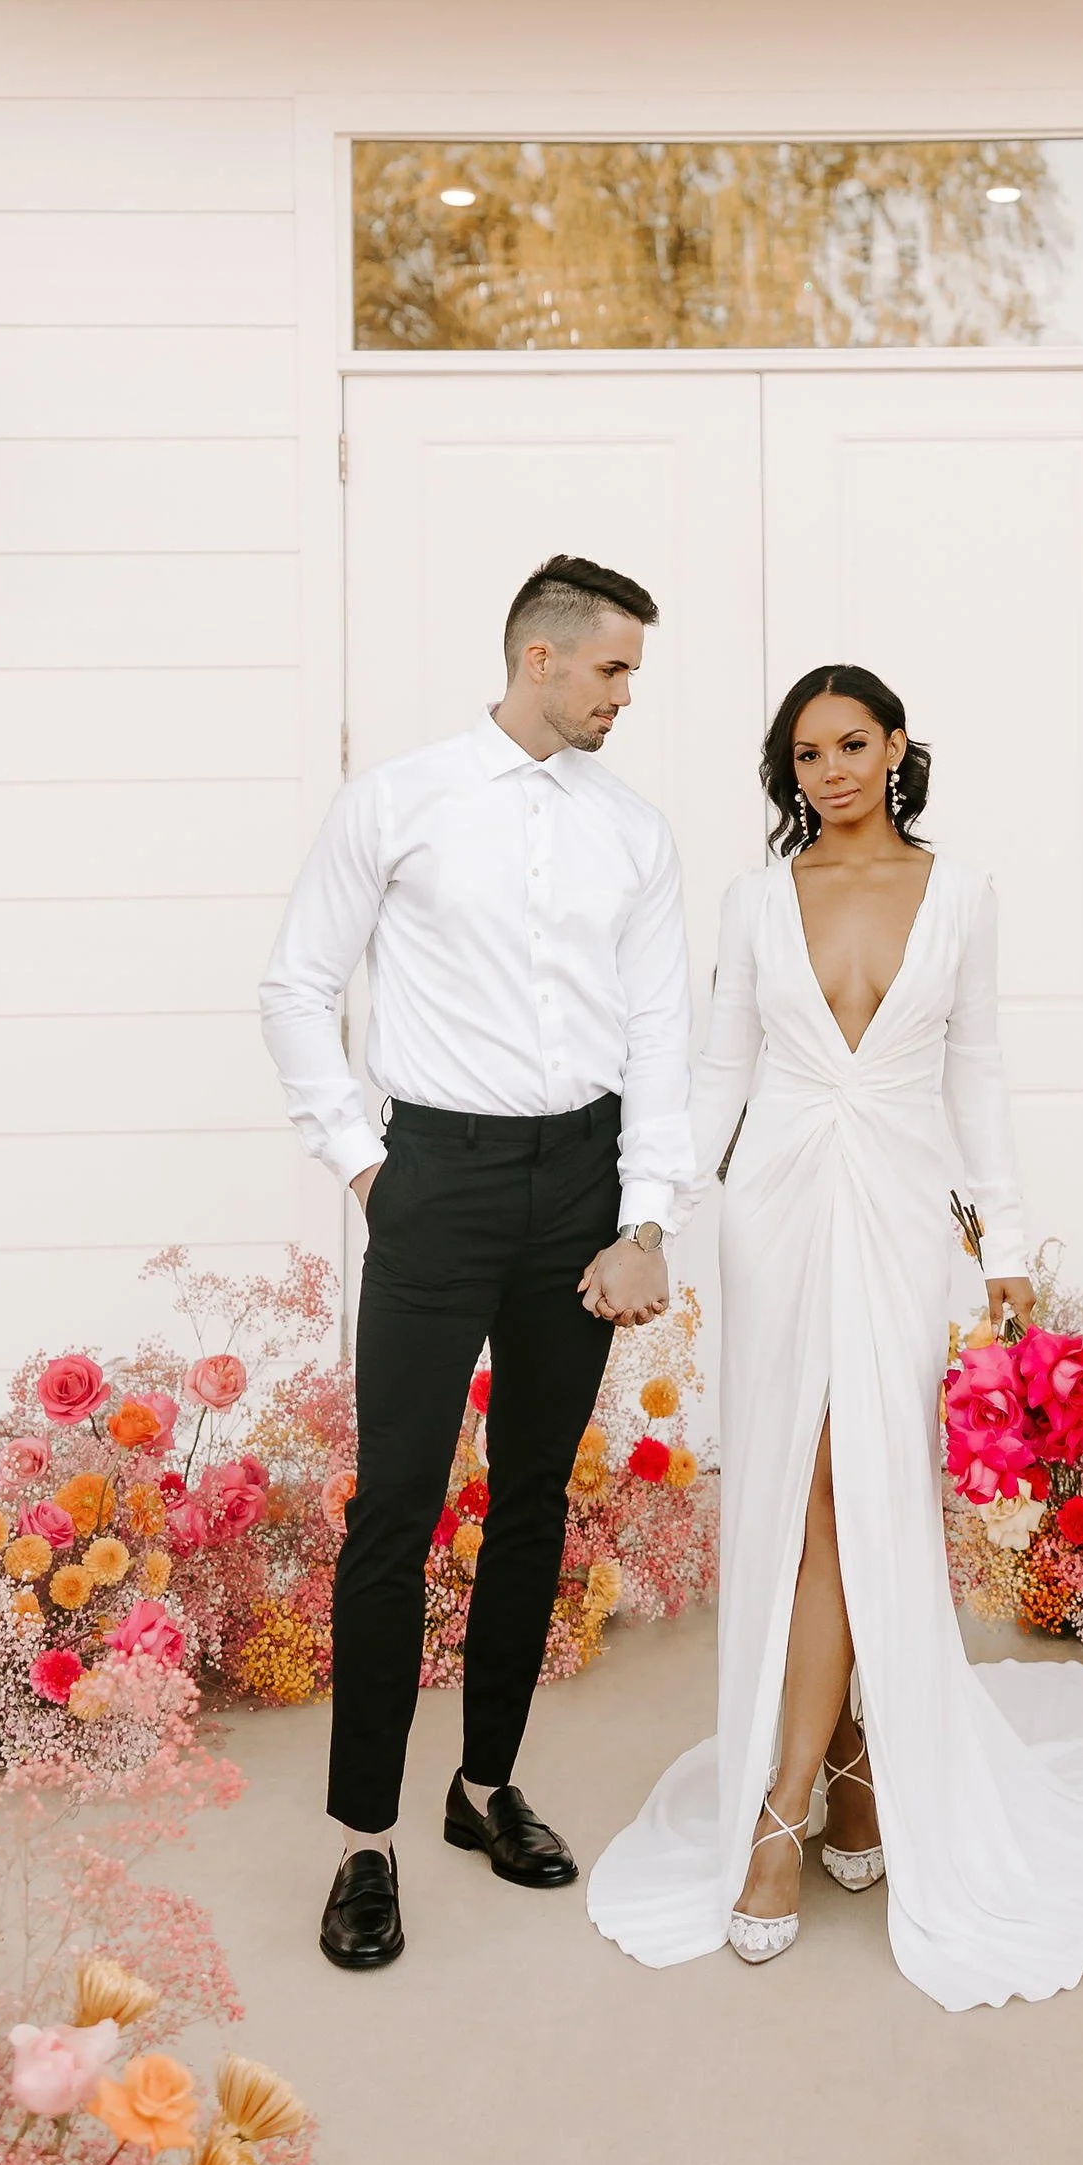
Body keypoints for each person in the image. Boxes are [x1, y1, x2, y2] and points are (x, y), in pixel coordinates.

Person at [587, 664, 1083, 2011]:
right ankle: (839, 1788)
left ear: (896, 747)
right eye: (803, 753)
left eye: (849, 744)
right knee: (805, 1488)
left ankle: (804, 1802)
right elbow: (718, 1072)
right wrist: (649, 1217)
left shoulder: (960, 895)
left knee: (859, 1485)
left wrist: (1004, 1246)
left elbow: (978, 1072)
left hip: (896, 1209)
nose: (826, 771)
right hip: (773, 1211)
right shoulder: (752, 899)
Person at [261, 554, 689, 1973]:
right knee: (393, 1509)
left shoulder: (634, 832)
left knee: (532, 1503)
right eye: (614, 669)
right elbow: (298, 982)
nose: (629, 694)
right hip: (434, 1176)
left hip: (581, 1184)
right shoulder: (398, 801)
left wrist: (646, 1219)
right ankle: (362, 1840)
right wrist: (362, 1160)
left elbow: (659, 1035)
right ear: (540, 657)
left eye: (633, 671)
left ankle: (484, 1785)